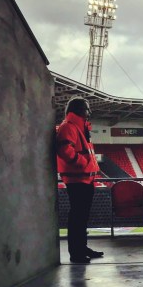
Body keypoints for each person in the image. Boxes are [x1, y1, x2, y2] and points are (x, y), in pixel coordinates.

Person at [56, 97, 103, 264]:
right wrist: (83, 164)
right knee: (77, 218)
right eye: (87, 109)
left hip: (85, 180)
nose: (89, 112)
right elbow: (64, 150)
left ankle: (82, 248)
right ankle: (76, 253)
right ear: (79, 110)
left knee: (81, 218)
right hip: (77, 180)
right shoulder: (69, 127)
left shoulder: (79, 127)